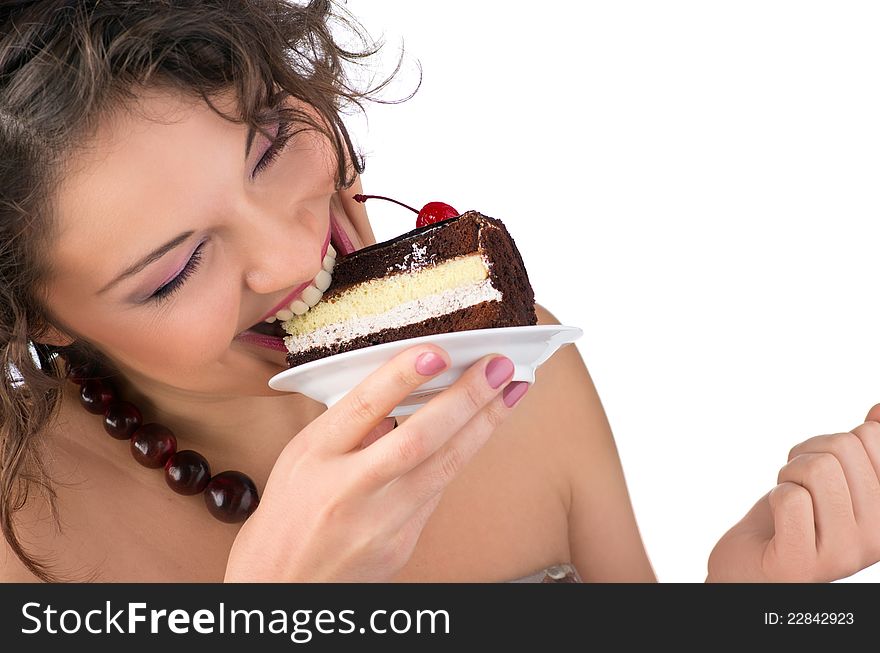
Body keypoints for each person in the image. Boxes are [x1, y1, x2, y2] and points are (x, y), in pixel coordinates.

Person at [1, 0, 878, 583]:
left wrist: (755, 602)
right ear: (42, 314)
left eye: (269, 147)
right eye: (177, 270)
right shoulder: (20, 540)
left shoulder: (514, 366)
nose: (292, 248)